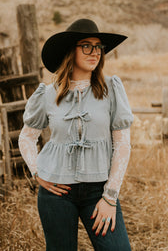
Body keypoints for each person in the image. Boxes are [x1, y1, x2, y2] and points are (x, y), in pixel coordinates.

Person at [18, 18, 134, 251]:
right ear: (71, 50)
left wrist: (110, 197)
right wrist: (37, 172)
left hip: (98, 191)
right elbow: (27, 137)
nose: (95, 53)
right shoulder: (47, 95)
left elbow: (122, 144)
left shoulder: (112, 88)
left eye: (98, 47)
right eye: (87, 46)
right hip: (56, 192)